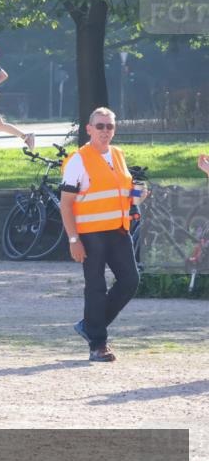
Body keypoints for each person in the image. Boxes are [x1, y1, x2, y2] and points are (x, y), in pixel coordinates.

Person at [59, 107, 144, 363]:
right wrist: (74, 239)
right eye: (100, 126)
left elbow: (124, 190)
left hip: (119, 230)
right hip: (90, 234)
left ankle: (90, 325)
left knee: (130, 281)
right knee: (95, 287)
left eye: (109, 126)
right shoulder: (78, 159)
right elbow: (66, 204)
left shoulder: (118, 154)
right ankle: (98, 345)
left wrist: (138, 196)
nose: (105, 131)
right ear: (89, 129)